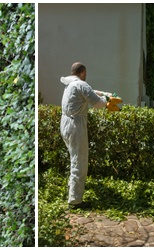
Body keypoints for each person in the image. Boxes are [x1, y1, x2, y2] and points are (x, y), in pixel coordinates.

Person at [59, 62, 115, 209]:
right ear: (83, 72)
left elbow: (90, 91)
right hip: (75, 125)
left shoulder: (70, 85)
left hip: (65, 123)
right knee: (79, 161)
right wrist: (108, 101)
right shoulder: (81, 85)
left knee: (74, 158)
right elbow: (96, 103)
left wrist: (105, 94)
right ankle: (75, 201)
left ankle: (73, 191)